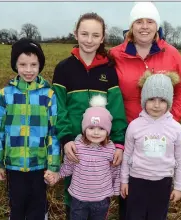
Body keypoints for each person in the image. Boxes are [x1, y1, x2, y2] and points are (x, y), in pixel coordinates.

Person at [110, 2, 181, 218]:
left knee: (156, 206)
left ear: (157, 26)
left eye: (150, 21)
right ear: (130, 26)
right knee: (130, 203)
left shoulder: (171, 53)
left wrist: (171, 120)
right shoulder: (115, 55)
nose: (144, 26)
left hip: (160, 138)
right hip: (128, 133)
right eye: (138, 21)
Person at [52, 12, 127, 219]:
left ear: (102, 38)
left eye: (95, 35)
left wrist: (119, 143)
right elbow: (58, 108)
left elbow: (117, 109)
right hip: (74, 147)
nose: (89, 40)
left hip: (102, 147)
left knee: (98, 195)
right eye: (84, 34)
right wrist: (66, 139)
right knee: (74, 197)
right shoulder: (63, 68)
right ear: (76, 34)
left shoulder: (109, 71)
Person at [0, 38, 60, 220]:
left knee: (38, 206)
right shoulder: (5, 95)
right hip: (14, 165)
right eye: (23, 64)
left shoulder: (48, 95)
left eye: (33, 65)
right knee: (17, 206)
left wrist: (53, 165)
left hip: (39, 165)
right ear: (15, 65)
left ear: (40, 65)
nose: (29, 70)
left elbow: (54, 133)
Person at [120, 71, 181, 220]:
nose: (156, 105)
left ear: (169, 102)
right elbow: (127, 155)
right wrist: (124, 180)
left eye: (162, 100)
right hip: (137, 181)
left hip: (162, 183)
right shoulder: (134, 126)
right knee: (134, 215)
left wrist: (179, 187)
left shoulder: (176, 129)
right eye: (151, 99)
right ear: (144, 99)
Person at [45, 95, 121, 220]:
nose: (96, 132)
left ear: (107, 131)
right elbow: (68, 167)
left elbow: (114, 170)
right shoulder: (77, 146)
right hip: (79, 199)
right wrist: (56, 175)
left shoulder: (110, 148)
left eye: (101, 129)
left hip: (101, 200)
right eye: (91, 128)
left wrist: (115, 188)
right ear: (84, 129)